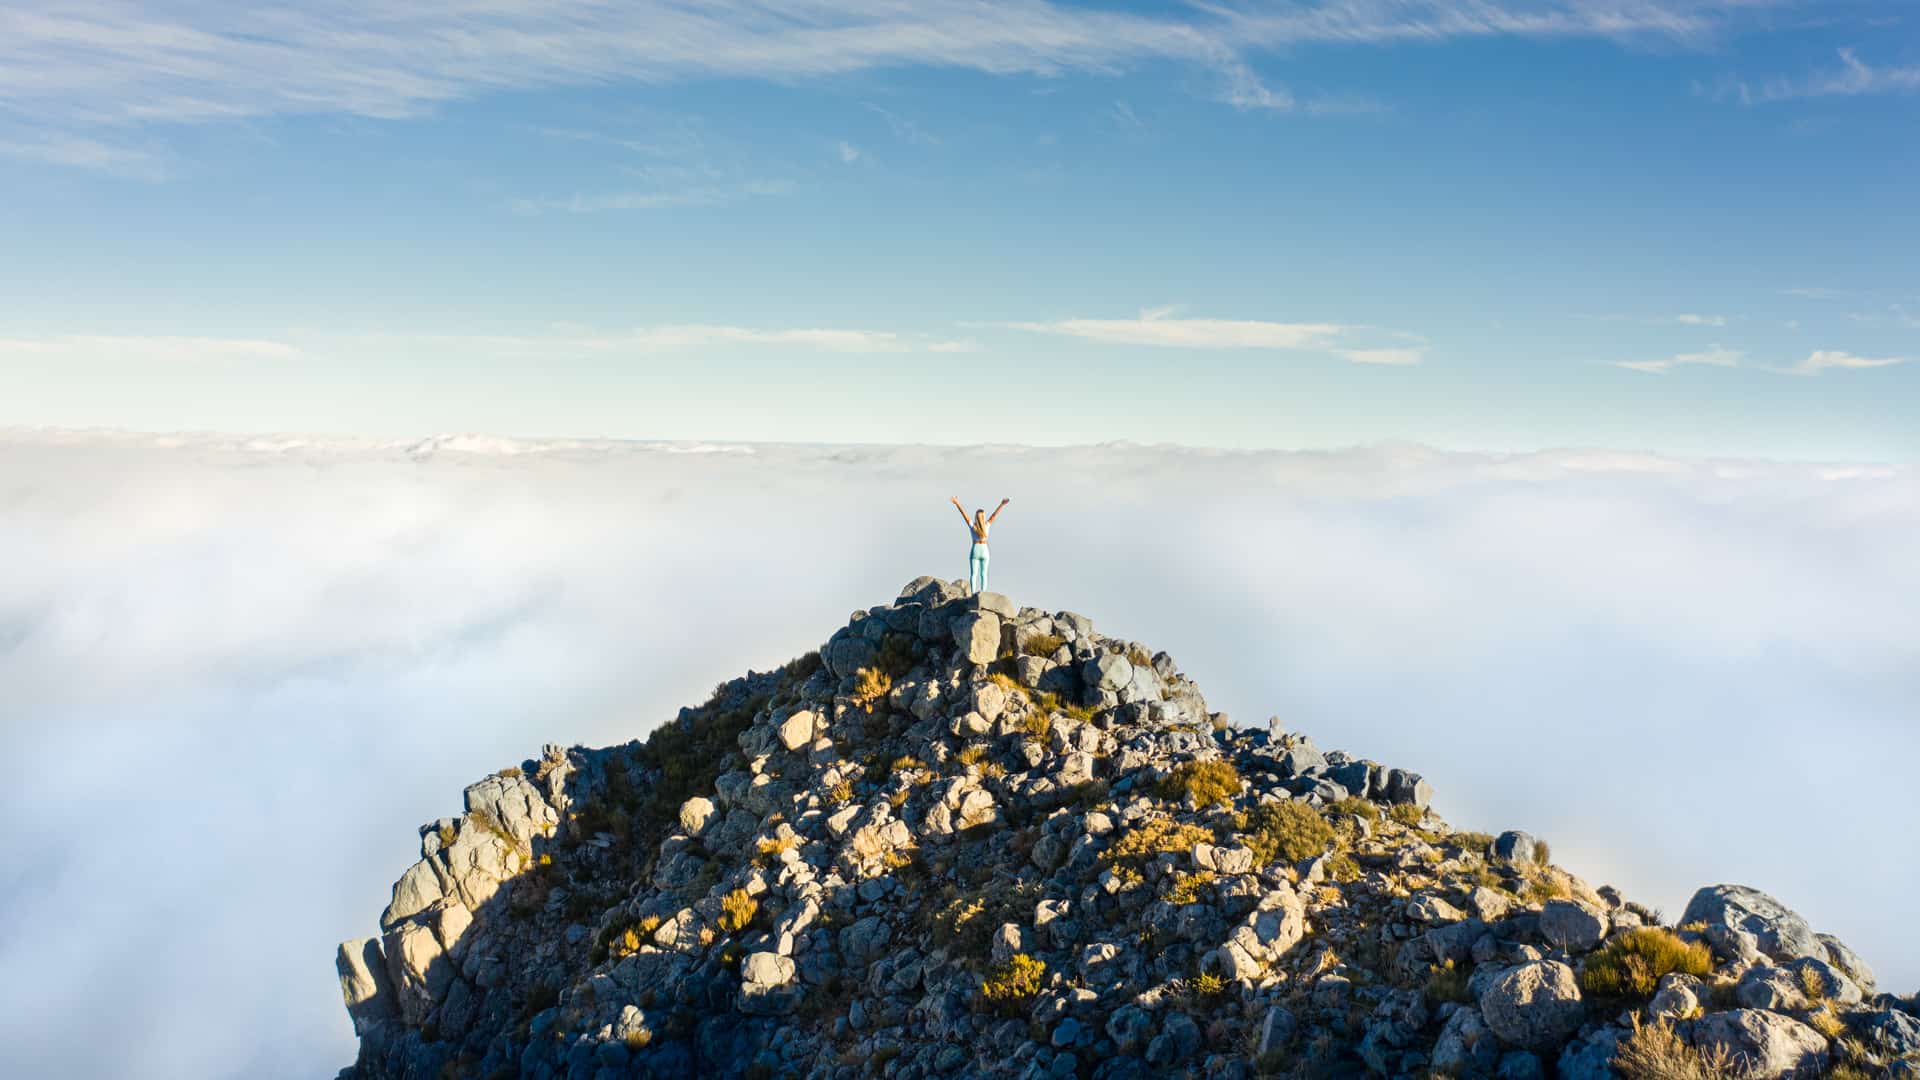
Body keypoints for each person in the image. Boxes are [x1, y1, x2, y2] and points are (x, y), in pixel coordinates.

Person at [951, 496, 1009, 595]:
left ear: (976, 518)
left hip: (975, 549)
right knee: (984, 574)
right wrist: (1002, 504)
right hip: (984, 550)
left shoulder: (973, 526)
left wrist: (957, 503)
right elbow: (994, 515)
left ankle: (973, 593)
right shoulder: (987, 525)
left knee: (974, 574)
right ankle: (983, 593)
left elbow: (964, 515)